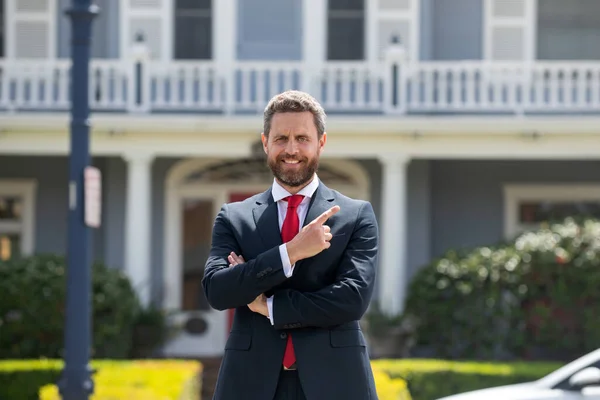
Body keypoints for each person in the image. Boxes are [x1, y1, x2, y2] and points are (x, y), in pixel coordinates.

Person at [202, 90, 379, 400]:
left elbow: (351, 299)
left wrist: (268, 306)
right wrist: (292, 252)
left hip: (336, 381)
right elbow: (218, 290)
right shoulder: (235, 216)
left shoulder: (354, 215)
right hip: (250, 383)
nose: (291, 149)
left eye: (302, 138)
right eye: (281, 138)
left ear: (321, 142)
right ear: (265, 142)